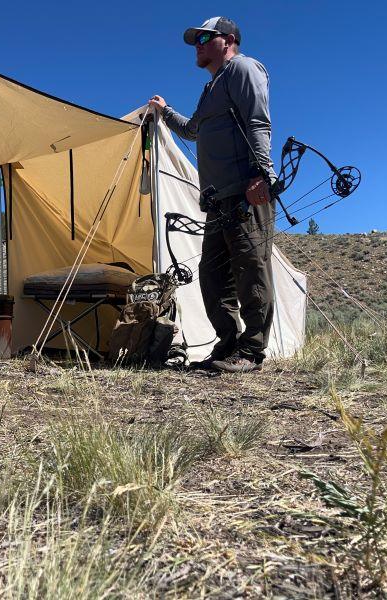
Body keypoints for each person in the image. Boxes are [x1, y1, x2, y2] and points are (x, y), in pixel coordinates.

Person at [149, 16, 276, 373]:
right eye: (195, 40)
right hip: (218, 201)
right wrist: (164, 111)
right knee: (213, 274)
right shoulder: (210, 89)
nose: (198, 44)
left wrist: (261, 174)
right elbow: (192, 131)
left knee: (251, 268)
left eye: (206, 37)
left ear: (229, 40)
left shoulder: (243, 69)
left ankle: (252, 352)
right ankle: (228, 345)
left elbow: (257, 121)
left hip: (245, 190)